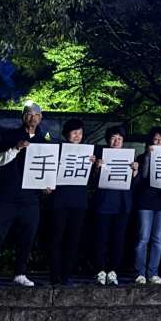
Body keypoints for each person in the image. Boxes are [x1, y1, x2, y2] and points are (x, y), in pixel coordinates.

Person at [0, 100, 51, 287]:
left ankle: (20, 273)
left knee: (28, 236)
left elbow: (46, 170)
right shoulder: (10, 136)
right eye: (29, 114)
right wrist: (16, 148)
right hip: (6, 195)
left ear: (41, 117)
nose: (33, 118)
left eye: (36, 115)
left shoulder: (44, 141)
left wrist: (46, 186)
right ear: (23, 117)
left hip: (30, 198)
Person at [47, 118, 93, 286]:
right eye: (74, 132)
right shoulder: (58, 149)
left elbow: (92, 179)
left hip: (79, 200)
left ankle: (66, 275)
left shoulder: (87, 152)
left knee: (73, 239)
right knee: (56, 237)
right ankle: (55, 275)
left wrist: (94, 165)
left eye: (80, 133)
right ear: (66, 134)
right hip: (59, 199)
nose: (77, 136)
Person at [91, 125, 137, 286]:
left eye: (120, 138)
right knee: (100, 238)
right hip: (103, 202)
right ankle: (99, 270)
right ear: (107, 140)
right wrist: (97, 167)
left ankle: (113, 271)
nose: (116, 141)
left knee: (118, 239)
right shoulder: (100, 155)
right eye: (113, 138)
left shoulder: (130, 158)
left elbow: (135, 184)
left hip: (122, 203)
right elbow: (92, 181)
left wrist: (135, 172)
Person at [132, 127, 161, 285]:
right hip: (145, 201)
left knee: (157, 239)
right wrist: (149, 157)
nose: (159, 143)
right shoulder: (142, 157)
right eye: (156, 139)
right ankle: (140, 272)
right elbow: (142, 177)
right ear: (150, 141)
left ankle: (153, 272)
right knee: (143, 238)